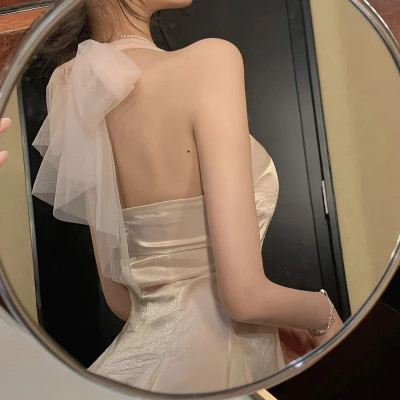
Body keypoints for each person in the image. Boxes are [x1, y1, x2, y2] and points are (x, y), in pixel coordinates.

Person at [27, 0, 344, 394]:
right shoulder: (211, 61)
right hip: (213, 368)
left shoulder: (69, 83)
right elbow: (246, 298)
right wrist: (322, 313)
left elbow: (121, 299)